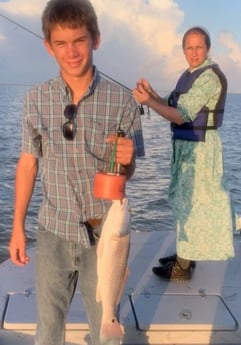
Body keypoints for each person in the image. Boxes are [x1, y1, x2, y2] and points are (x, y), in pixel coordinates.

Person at [8, 1, 144, 344]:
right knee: (48, 330)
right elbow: (28, 163)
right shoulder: (35, 99)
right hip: (53, 230)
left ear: (95, 39)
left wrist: (127, 161)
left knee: (106, 331)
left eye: (80, 41)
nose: (71, 52)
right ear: (48, 46)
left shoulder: (124, 102)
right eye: (61, 43)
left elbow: (128, 171)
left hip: (104, 233)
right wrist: (17, 228)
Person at [133, 26, 234, 282]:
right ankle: (184, 254)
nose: (194, 52)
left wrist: (147, 102)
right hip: (186, 148)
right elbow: (171, 103)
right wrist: (153, 93)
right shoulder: (190, 74)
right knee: (184, 201)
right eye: (189, 47)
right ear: (183, 50)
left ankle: (183, 267)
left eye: (199, 47)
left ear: (208, 48)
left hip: (200, 150)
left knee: (193, 204)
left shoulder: (209, 77)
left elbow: (181, 115)